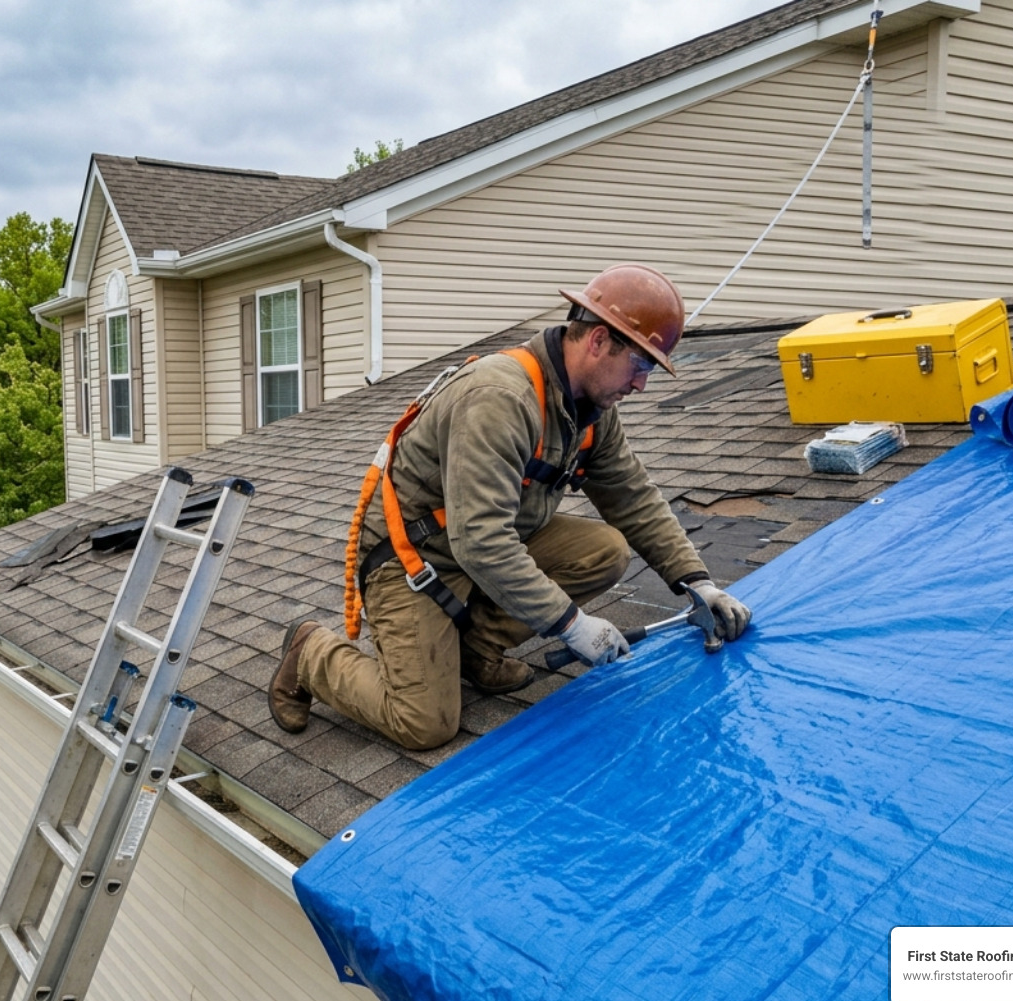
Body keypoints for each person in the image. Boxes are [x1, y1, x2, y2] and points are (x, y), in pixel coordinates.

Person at [267, 264, 751, 750]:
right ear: (599, 340)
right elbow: (481, 541)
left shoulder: (591, 410)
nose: (641, 385)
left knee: (604, 550)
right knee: (424, 722)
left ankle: (476, 649)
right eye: (641, 365)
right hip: (415, 557)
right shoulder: (500, 397)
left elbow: (632, 495)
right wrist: (571, 625)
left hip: (488, 542)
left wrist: (697, 582)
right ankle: (311, 652)